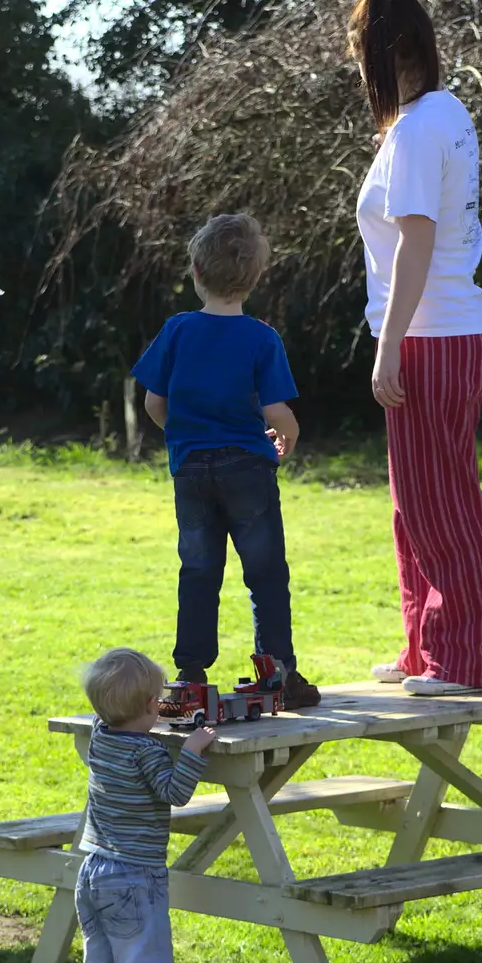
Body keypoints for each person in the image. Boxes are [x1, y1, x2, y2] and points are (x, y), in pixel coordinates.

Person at [348, 0, 482, 695]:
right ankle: (426, 647)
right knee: (415, 500)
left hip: (432, 334)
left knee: (442, 500)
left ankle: (466, 660)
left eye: (358, 50)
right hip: (449, 329)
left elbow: (418, 240)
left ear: (381, 52)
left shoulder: (417, 130)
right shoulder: (441, 113)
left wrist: (389, 344)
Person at [133, 213, 321, 709]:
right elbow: (278, 414)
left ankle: (190, 677)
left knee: (198, 570)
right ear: (256, 277)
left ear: (195, 272)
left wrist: (181, 435)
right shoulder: (262, 339)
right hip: (248, 472)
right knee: (264, 573)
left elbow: (154, 403)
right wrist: (289, 438)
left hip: (191, 472)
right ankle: (277, 673)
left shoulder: (176, 331)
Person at [76, 647, 216, 963]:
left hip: (93, 870)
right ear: (153, 705)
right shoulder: (146, 752)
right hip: (134, 876)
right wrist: (192, 750)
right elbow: (174, 792)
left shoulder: (100, 736)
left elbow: (112, 713)